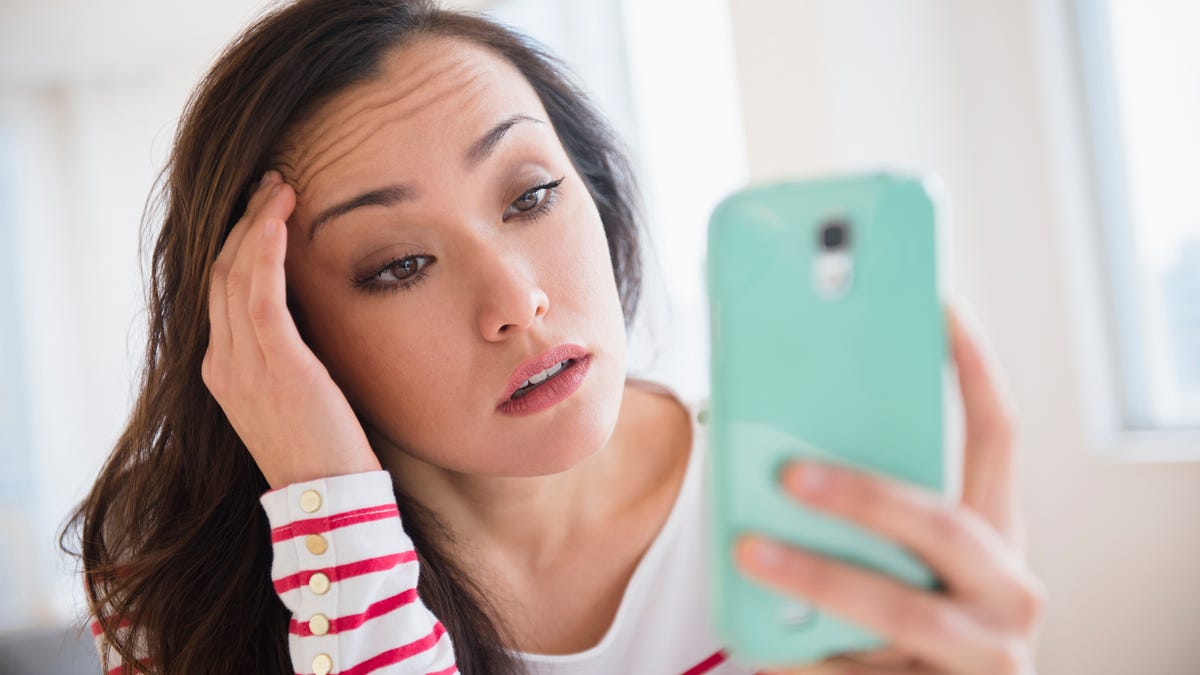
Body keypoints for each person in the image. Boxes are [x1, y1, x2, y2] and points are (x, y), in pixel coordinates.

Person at [64, 1, 1046, 673]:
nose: (517, 299)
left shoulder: (819, 530)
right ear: (279, 334)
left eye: (532, 195)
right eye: (398, 265)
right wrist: (334, 529)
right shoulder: (174, 617)